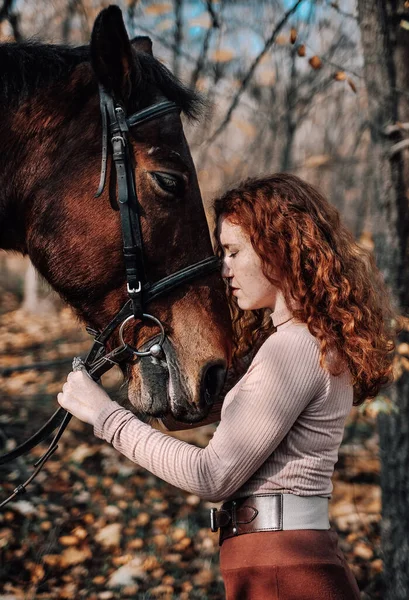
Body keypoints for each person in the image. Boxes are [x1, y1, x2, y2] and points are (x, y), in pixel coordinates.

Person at [58, 173, 394, 599]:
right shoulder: (298, 342)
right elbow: (186, 419)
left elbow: (212, 475)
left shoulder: (292, 350)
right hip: (278, 560)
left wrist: (105, 417)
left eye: (234, 251)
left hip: (283, 569)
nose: (224, 268)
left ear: (279, 249)